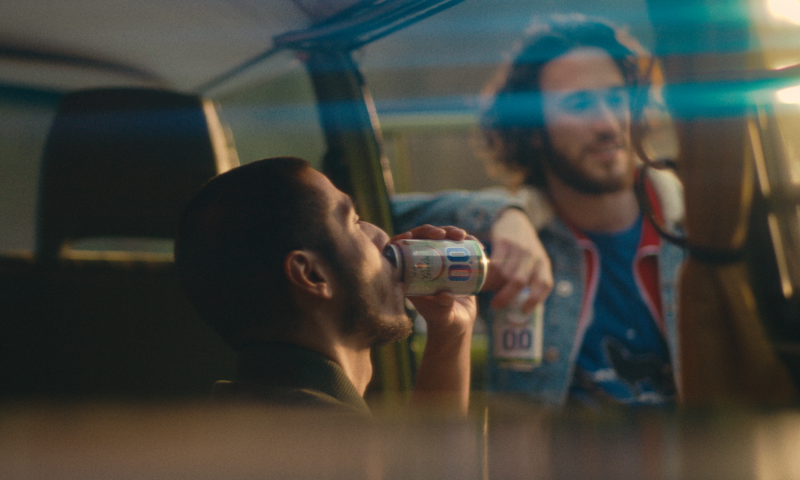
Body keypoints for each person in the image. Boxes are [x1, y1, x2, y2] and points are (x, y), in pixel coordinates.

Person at [397, 14, 685, 409]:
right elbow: (370, 219)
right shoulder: (512, 235)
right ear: (533, 128)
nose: (607, 124)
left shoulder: (694, 227)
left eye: (617, 98)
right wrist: (502, 215)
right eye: (579, 104)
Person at [174, 156, 480, 416]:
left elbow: (425, 462)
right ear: (311, 274)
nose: (381, 236)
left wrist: (450, 333)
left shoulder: (237, 415)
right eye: (355, 223)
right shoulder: (337, 441)